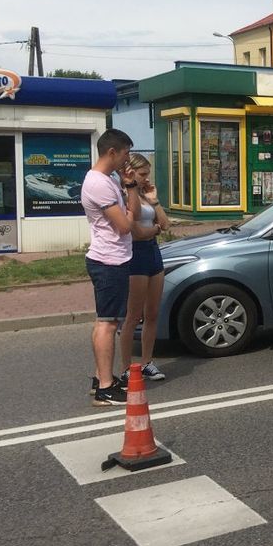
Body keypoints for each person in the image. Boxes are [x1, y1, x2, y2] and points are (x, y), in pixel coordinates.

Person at [80, 129, 138, 406]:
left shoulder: (110, 179)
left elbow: (132, 215)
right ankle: (105, 388)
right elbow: (126, 226)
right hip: (108, 261)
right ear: (112, 152)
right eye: (126, 152)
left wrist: (130, 187)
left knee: (106, 320)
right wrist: (128, 212)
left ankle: (101, 378)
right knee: (107, 323)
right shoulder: (98, 183)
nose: (128, 159)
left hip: (113, 258)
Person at [118, 153, 168, 382]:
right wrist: (155, 230)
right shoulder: (125, 195)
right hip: (136, 255)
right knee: (133, 315)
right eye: (143, 174)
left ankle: (147, 362)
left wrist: (155, 200)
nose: (147, 178)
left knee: (152, 313)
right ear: (132, 173)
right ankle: (127, 367)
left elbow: (165, 224)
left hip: (153, 253)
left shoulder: (146, 196)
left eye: (148, 174)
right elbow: (136, 232)